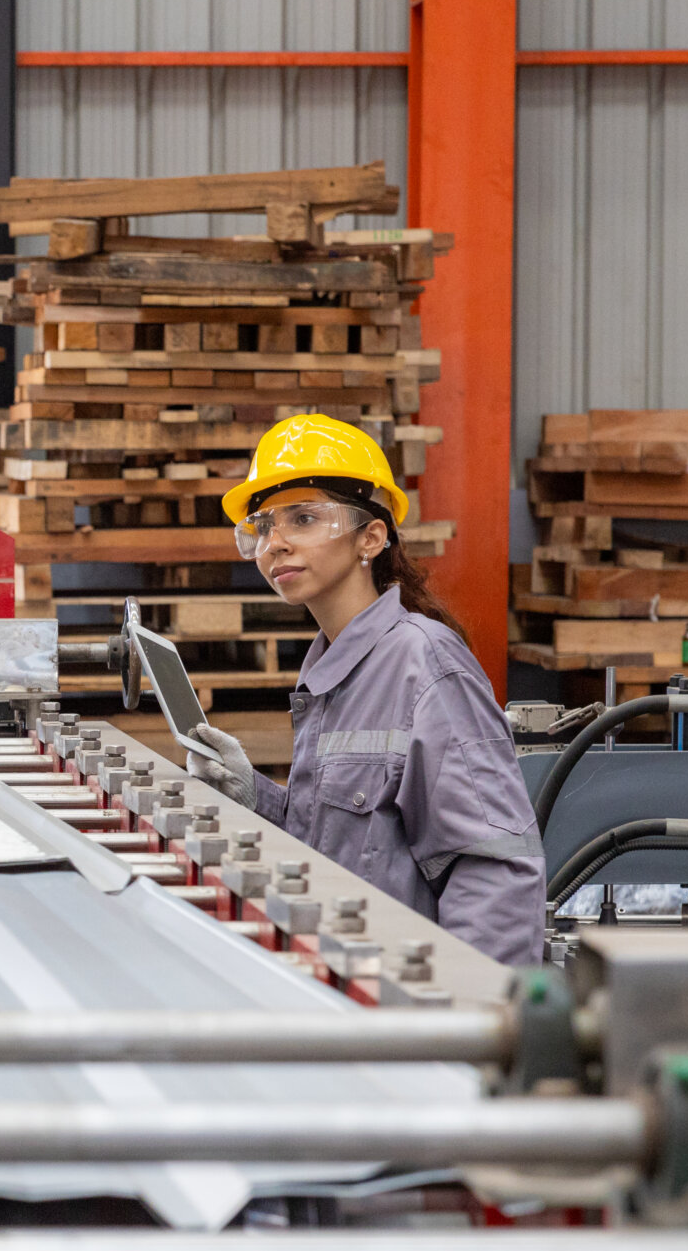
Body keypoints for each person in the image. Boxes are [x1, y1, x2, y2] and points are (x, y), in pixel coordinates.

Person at [182, 413, 545, 966]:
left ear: (371, 538)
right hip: (341, 987)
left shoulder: (425, 666)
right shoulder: (331, 669)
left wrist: (470, 1024)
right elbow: (341, 846)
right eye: (262, 526)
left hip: (403, 1007)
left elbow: (496, 872)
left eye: (302, 519)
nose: (274, 544)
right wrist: (255, 797)